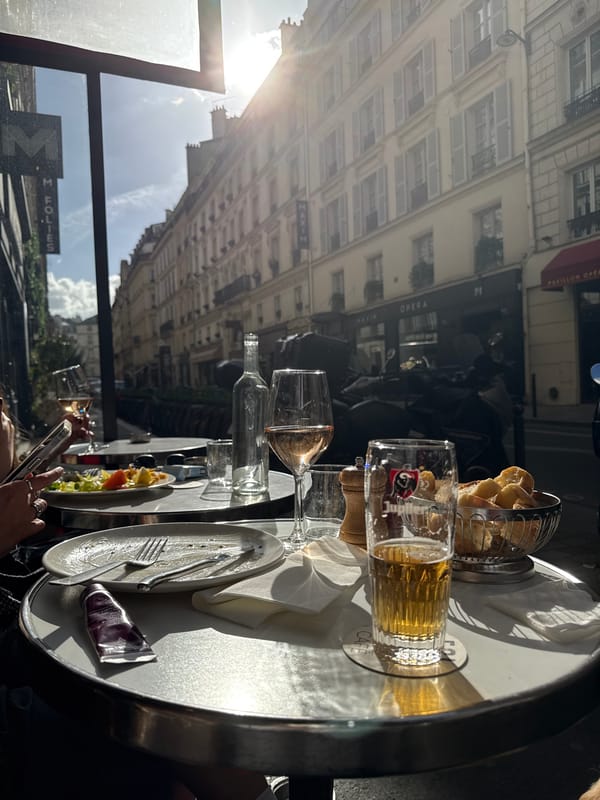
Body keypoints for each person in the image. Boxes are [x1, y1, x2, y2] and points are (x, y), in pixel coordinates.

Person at [0, 392, 278, 800]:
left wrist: (39, 456)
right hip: (19, 703)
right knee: (157, 716)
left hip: (27, 632)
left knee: (166, 675)